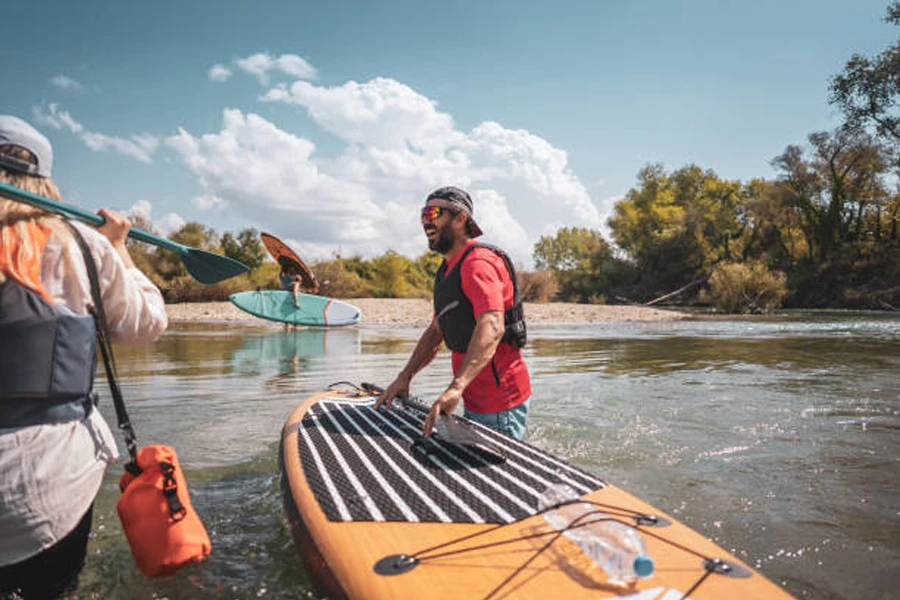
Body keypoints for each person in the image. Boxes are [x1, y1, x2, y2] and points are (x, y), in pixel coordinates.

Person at [0, 116, 168, 598]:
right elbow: (145, 325)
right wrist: (119, 250)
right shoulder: (80, 244)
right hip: (41, 495)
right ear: (45, 180)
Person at [375, 186, 531, 439]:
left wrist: (455, 387)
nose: (426, 220)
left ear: (461, 219)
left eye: (434, 212)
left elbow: (492, 325)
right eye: (423, 214)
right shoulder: (448, 269)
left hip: (499, 404)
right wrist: (405, 377)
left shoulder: (478, 264)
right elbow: (437, 330)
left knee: (490, 475)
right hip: (473, 397)